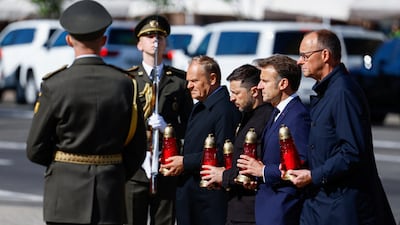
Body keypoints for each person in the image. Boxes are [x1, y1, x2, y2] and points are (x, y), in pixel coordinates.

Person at [26, 1, 147, 225]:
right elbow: (137, 147)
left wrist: (64, 167)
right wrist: (113, 171)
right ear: (104, 40)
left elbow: (35, 148)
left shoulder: (55, 85)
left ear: (69, 39)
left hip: (64, 197)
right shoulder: (125, 84)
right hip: (109, 194)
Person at [283, 29, 397, 225]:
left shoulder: (343, 92)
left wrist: (314, 175)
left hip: (343, 207)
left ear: (325, 55)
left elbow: (352, 152)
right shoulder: (326, 92)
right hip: (320, 203)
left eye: (304, 56)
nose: (299, 62)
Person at [125, 15, 193, 225]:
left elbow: (190, 125)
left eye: (160, 37)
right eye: (149, 36)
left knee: (164, 220)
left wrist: (167, 128)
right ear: (139, 44)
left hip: (166, 163)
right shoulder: (128, 80)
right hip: (135, 166)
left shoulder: (179, 81)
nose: (155, 40)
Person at [160, 55, 241, 225]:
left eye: (194, 81)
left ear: (212, 79)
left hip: (208, 198)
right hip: (192, 193)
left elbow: (223, 152)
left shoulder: (224, 109)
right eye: (188, 81)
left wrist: (185, 162)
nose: (189, 86)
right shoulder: (201, 105)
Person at [237, 55, 311, 225]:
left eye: (265, 81)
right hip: (268, 205)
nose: (259, 86)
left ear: (283, 84)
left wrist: (262, 171)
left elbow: (299, 166)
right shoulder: (277, 112)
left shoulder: (298, 116)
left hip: (283, 208)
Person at [199, 64, 274, 225]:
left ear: (254, 91)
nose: (232, 98)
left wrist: (223, 176)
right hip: (236, 208)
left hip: (250, 213)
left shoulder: (265, 120)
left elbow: (256, 168)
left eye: (236, 93)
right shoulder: (246, 117)